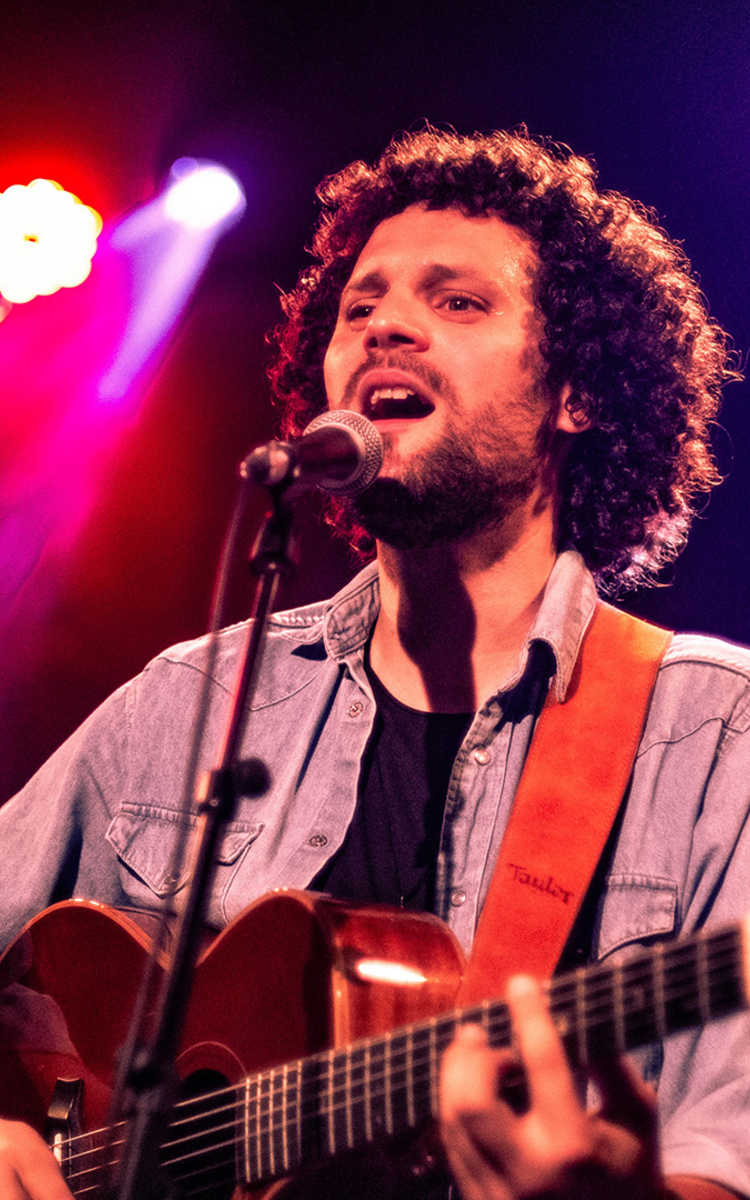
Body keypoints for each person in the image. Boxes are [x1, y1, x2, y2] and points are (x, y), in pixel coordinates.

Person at [0, 127, 748, 1200]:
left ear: (576, 392)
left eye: (459, 302)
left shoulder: (714, 739)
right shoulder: (189, 702)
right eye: (360, 308)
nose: (385, 326)